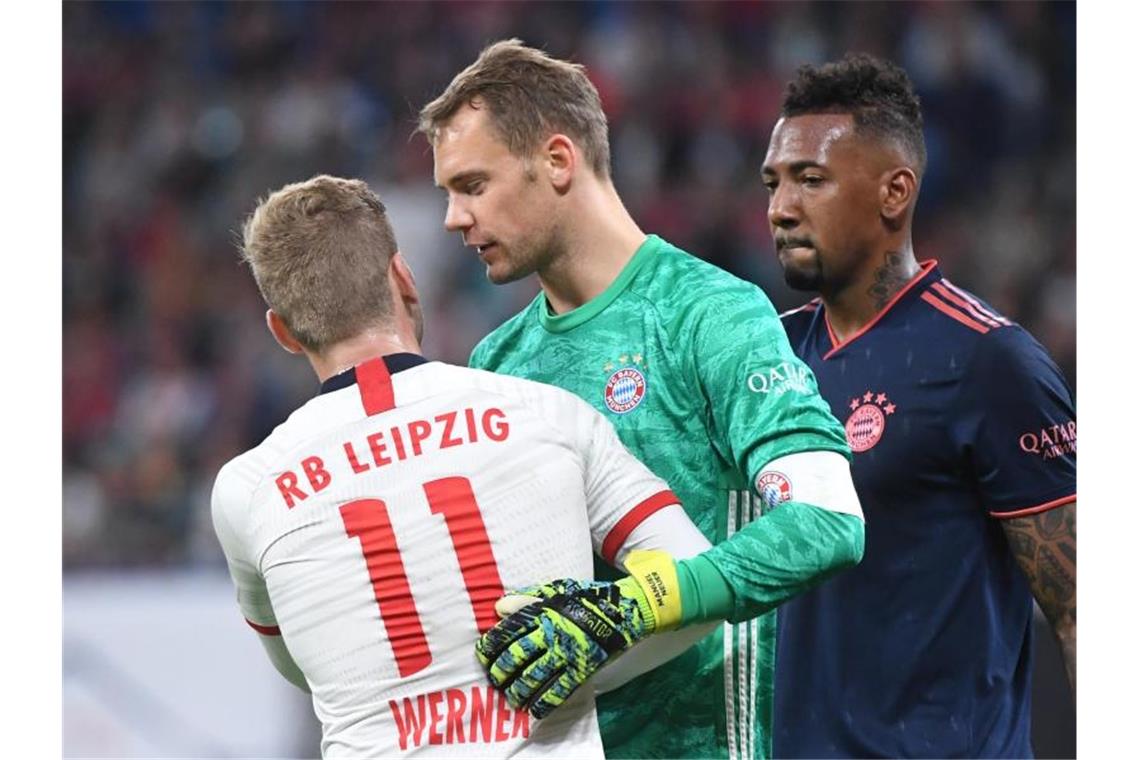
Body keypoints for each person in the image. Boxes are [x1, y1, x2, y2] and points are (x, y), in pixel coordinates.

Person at [418, 39, 865, 760]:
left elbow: (830, 520)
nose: (452, 217)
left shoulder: (709, 314)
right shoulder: (494, 364)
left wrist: (638, 605)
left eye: (472, 186)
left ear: (558, 161)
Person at [211, 174, 721, 758]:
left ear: (282, 331)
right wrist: (589, 661)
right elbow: (700, 587)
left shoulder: (245, 491)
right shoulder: (546, 413)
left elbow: (302, 667)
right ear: (404, 278)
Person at [761, 55, 1076, 757]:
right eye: (774, 183)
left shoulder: (986, 360)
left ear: (894, 193)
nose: (781, 207)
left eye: (811, 180)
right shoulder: (767, 363)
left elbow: (1084, 606)